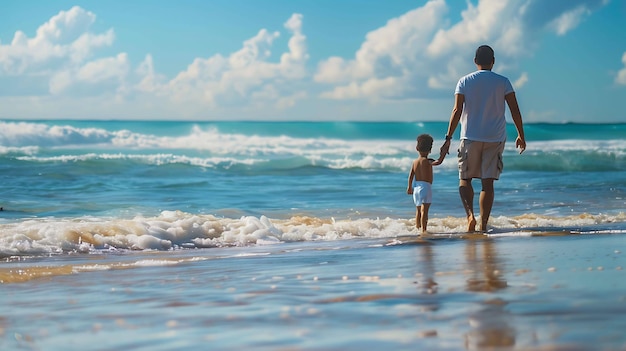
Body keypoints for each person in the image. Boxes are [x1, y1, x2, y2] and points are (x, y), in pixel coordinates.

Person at [437, 45, 526, 233]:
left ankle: (470, 216)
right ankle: (484, 225)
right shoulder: (503, 82)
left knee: (465, 179)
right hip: (495, 138)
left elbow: (457, 110)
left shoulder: (464, 81)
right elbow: (515, 110)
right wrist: (521, 135)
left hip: (470, 136)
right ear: (493, 61)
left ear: (475, 61)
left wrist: (448, 138)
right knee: (488, 183)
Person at [407, 134, 439, 234]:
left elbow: (411, 175)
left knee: (418, 211)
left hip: (416, 187)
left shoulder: (415, 162)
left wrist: (409, 187)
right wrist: (443, 153)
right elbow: (438, 162)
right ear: (430, 150)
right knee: (424, 211)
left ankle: (417, 229)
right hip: (426, 187)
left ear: (417, 148)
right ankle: (424, 230)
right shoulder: (428, 161)